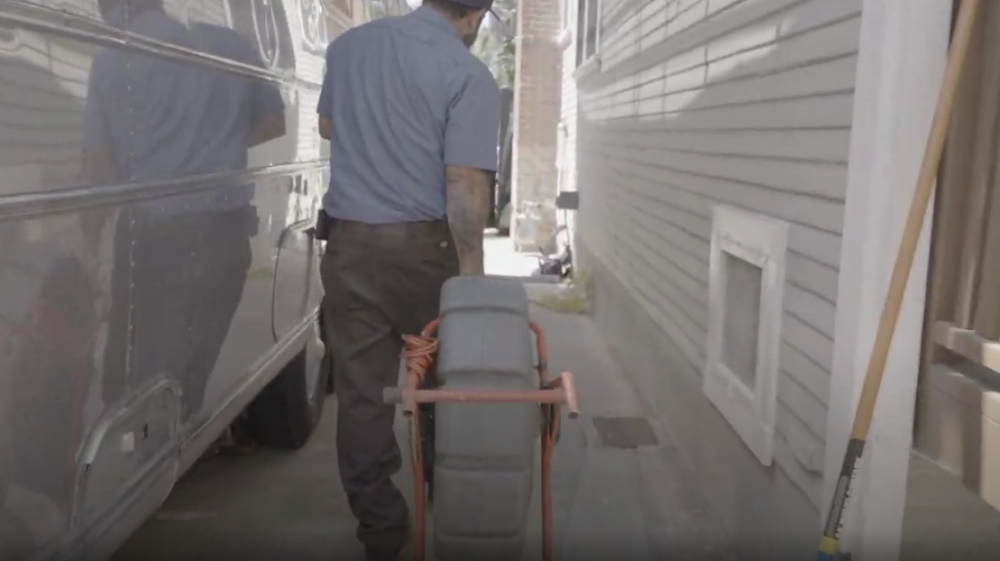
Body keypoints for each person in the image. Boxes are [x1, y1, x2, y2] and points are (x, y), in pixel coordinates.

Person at [315, 0, 500, 559]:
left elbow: (328, 125)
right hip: (425, 252)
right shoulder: (467, 72)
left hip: (350, 246)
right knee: (444, 385)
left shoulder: (348, 48)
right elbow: (464, 184)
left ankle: (382, 527)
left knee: (363, 394)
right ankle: (447, 506)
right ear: (475, 18)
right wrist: (472, 281)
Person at [84, 0, 286, 420]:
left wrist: (92, 240)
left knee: (133, 367)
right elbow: (273, 122)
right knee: (191, 364)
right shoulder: (229, 44)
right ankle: (175, 434)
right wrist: (216, 148)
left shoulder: (109, 63)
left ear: (111, 12)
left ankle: (139, 455)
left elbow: (99, 162)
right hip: (222, 235)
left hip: (150, 235)